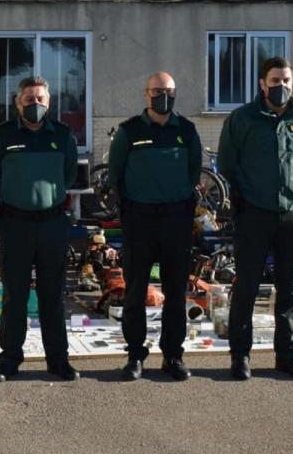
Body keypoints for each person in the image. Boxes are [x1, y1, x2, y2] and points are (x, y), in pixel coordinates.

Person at [218, 56, 293, 381]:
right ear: (262, 84)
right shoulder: (242, 118)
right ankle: (240, 357)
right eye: (275, 81)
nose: (282, 86)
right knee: (246, 287)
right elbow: (227, 163)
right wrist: (247, 197)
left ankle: (286, 356)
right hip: (254, 212)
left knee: (290, 288)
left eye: (286, 80)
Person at [0, 76, 79, 382]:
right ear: (17, 102)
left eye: (40, 99)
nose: (34, 104)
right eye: (28, 99)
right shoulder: (3, 135)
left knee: (53, 296)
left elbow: (69, 176)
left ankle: (58, 360)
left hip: (52, 224)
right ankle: (9, 360)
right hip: (16, 225)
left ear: (48, 102)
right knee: (15, 296)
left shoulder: (63, 136)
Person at [107, 72, 201, 381]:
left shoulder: (186, 130)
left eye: (169, 91)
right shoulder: (129, 131)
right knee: (136, 290)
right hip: (140, 221)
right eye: (158, 90)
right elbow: (116, 175)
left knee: (175, 292)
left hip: (176, 221)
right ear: (146, 94)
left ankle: (173, 355)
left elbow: (193, 172)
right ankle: (135, 355)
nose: (164, 96)